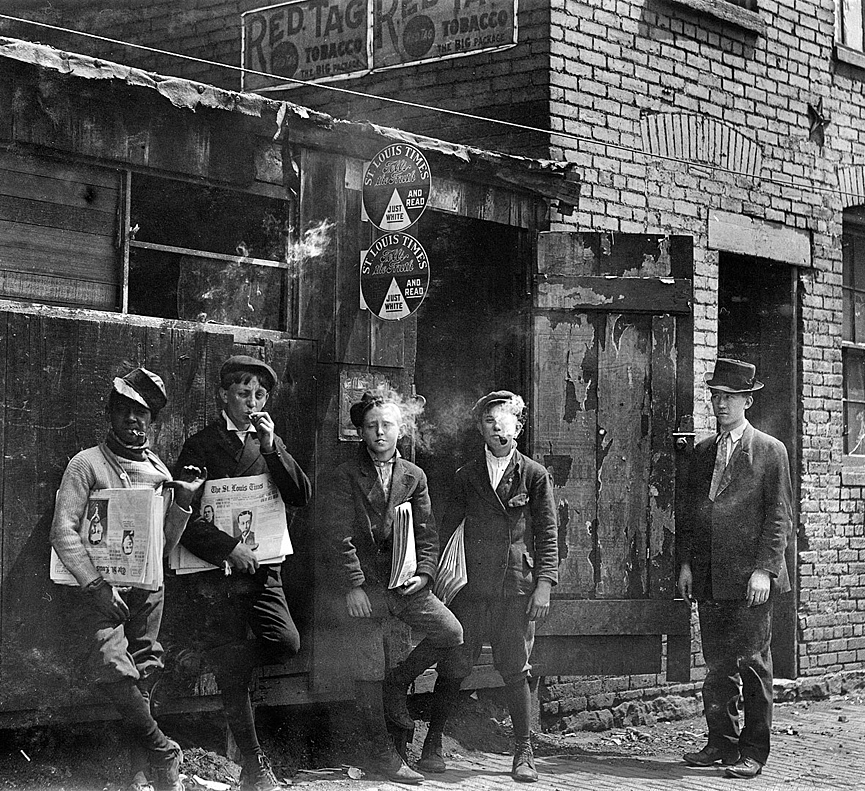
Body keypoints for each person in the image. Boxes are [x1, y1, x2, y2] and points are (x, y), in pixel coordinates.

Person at [50, 367, 206, 791]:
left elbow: (163, 545)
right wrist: (95, 586)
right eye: (124, 411)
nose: (133, 420)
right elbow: (64, 531)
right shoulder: (86, 464)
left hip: (146, 590)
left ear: (152, 421)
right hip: (99, 592)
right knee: (113, 665)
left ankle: (140, 771)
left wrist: (183, 502)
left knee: (147, 668)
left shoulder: (158, 471)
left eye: (142, 414)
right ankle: (163, 750)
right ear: (109, 414)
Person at [175, 355, 312, 791]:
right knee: (235, 677)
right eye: (242, 393)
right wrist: (228, 548)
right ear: (223, 395)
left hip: (262, 571)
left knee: (284, 642)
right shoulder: (200, 445)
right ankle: (255, 765)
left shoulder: (269, 443)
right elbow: (182, 518)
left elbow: (300, 495)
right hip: (216, 574)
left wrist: (272, 448)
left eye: (259, 395)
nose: (252, 403)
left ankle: (215, 657)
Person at [323, 390, 463, 784]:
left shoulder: (414, 476)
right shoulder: (345, 474)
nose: (380, 432)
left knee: (451, 632)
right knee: (368, 666)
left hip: (405, 584)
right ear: (362, 433)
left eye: (387, 425)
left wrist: (425, 575)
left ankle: (398, 682)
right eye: (372, 426)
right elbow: (337, 536)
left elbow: (427, 534)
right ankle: (383, 755)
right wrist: (353, 586)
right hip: (366, 588)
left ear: (401, 429)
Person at [426, 391, 558, 783]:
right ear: (480, 429)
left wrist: (544, 584)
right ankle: (432, 743)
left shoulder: (534, 474)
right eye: (489, 421)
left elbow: (548, 533)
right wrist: (438, 581)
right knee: (455, 664)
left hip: (514, 588)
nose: (497, 429)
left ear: (519, 426)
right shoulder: (466, 476)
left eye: (505, 421)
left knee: (515, 668)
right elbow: (446, 530)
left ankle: (524, 751)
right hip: (471, 588)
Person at [678, 358, 793, 780]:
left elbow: (779, 517)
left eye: (730, 397)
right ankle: (721, 743)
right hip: (710, 577)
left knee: (753, 664)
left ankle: (754, 752)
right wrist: (687, 564)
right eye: (715, 396)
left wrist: (765, 570)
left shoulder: (770, 450)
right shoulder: (703, 451)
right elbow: (691, 515)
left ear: (748, 401)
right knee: (717, 666)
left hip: (750, 580)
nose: (721, 404)